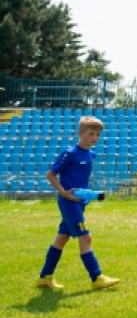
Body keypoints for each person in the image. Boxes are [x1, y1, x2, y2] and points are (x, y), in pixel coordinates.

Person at [36, 116, 121, 292]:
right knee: (86, 237)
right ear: (80, 133)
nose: (95, 138)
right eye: (91, 134)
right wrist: (63, 192)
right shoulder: (70, 153)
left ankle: (45, 277)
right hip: (69, 201)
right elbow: (50, 175)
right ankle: (97, 277)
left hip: (79, 201)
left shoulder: (91, 154)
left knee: (62, 238)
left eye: (97, 134)